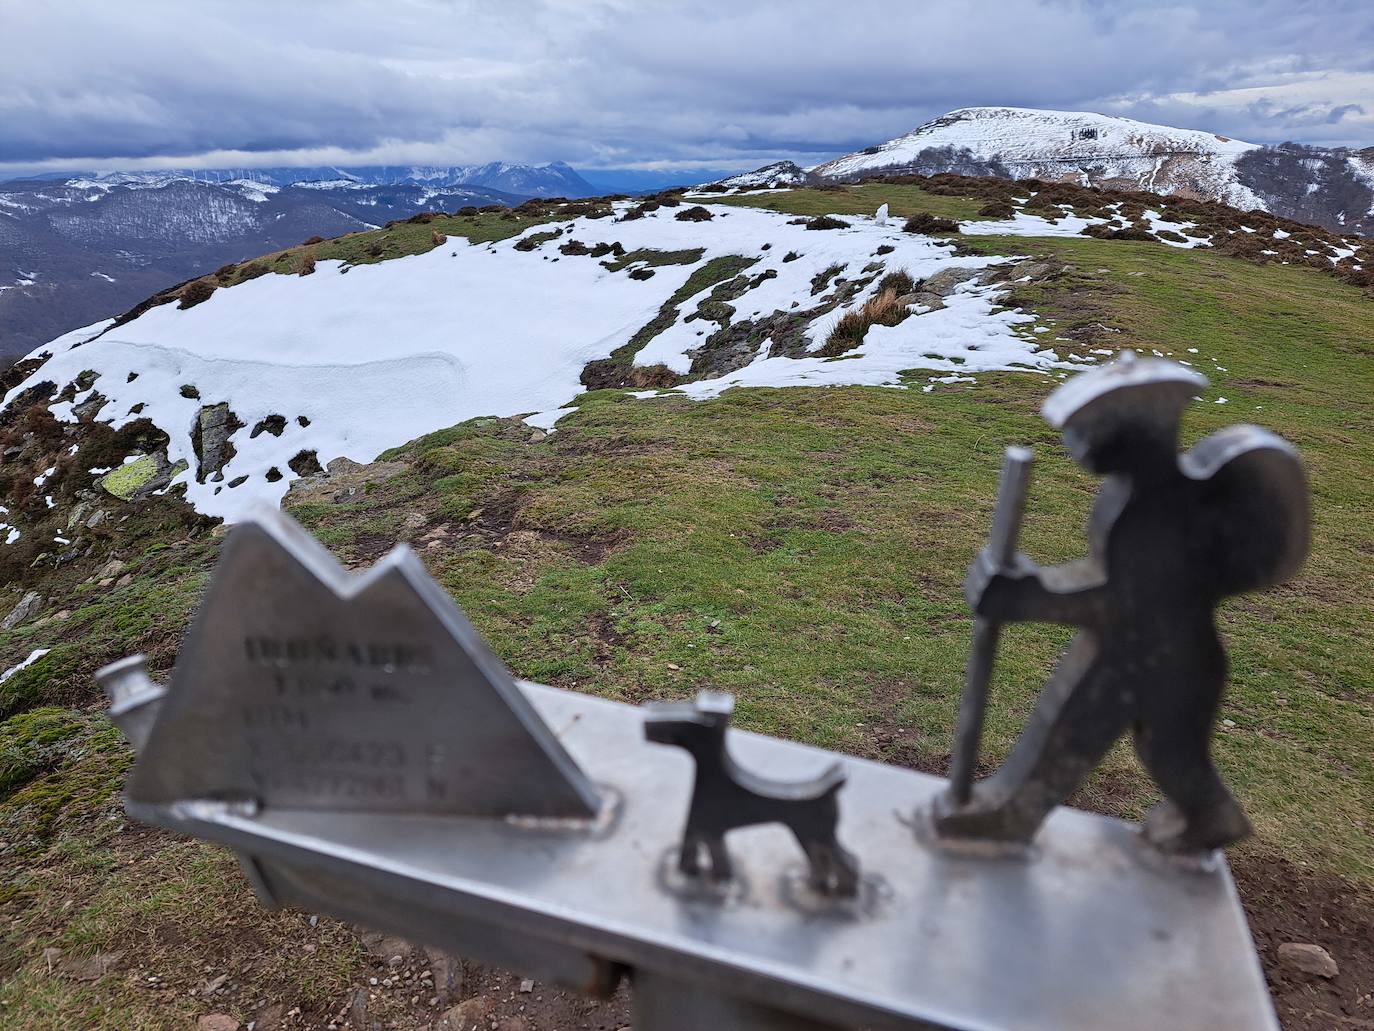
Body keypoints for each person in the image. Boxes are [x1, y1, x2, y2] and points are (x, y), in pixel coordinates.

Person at [935, 353, 1308, 854]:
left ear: (1135, 433)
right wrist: (1025, 592)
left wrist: (1027, 596)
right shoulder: (1134, 500)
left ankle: (1209, 816)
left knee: (1165, 754)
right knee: (1069, 731)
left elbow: (1119, 597)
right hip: (1132, 650)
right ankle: (1011, 813)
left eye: (1088, 432)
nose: (1076, 444)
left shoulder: (1159, 510)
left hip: (1170, 659)